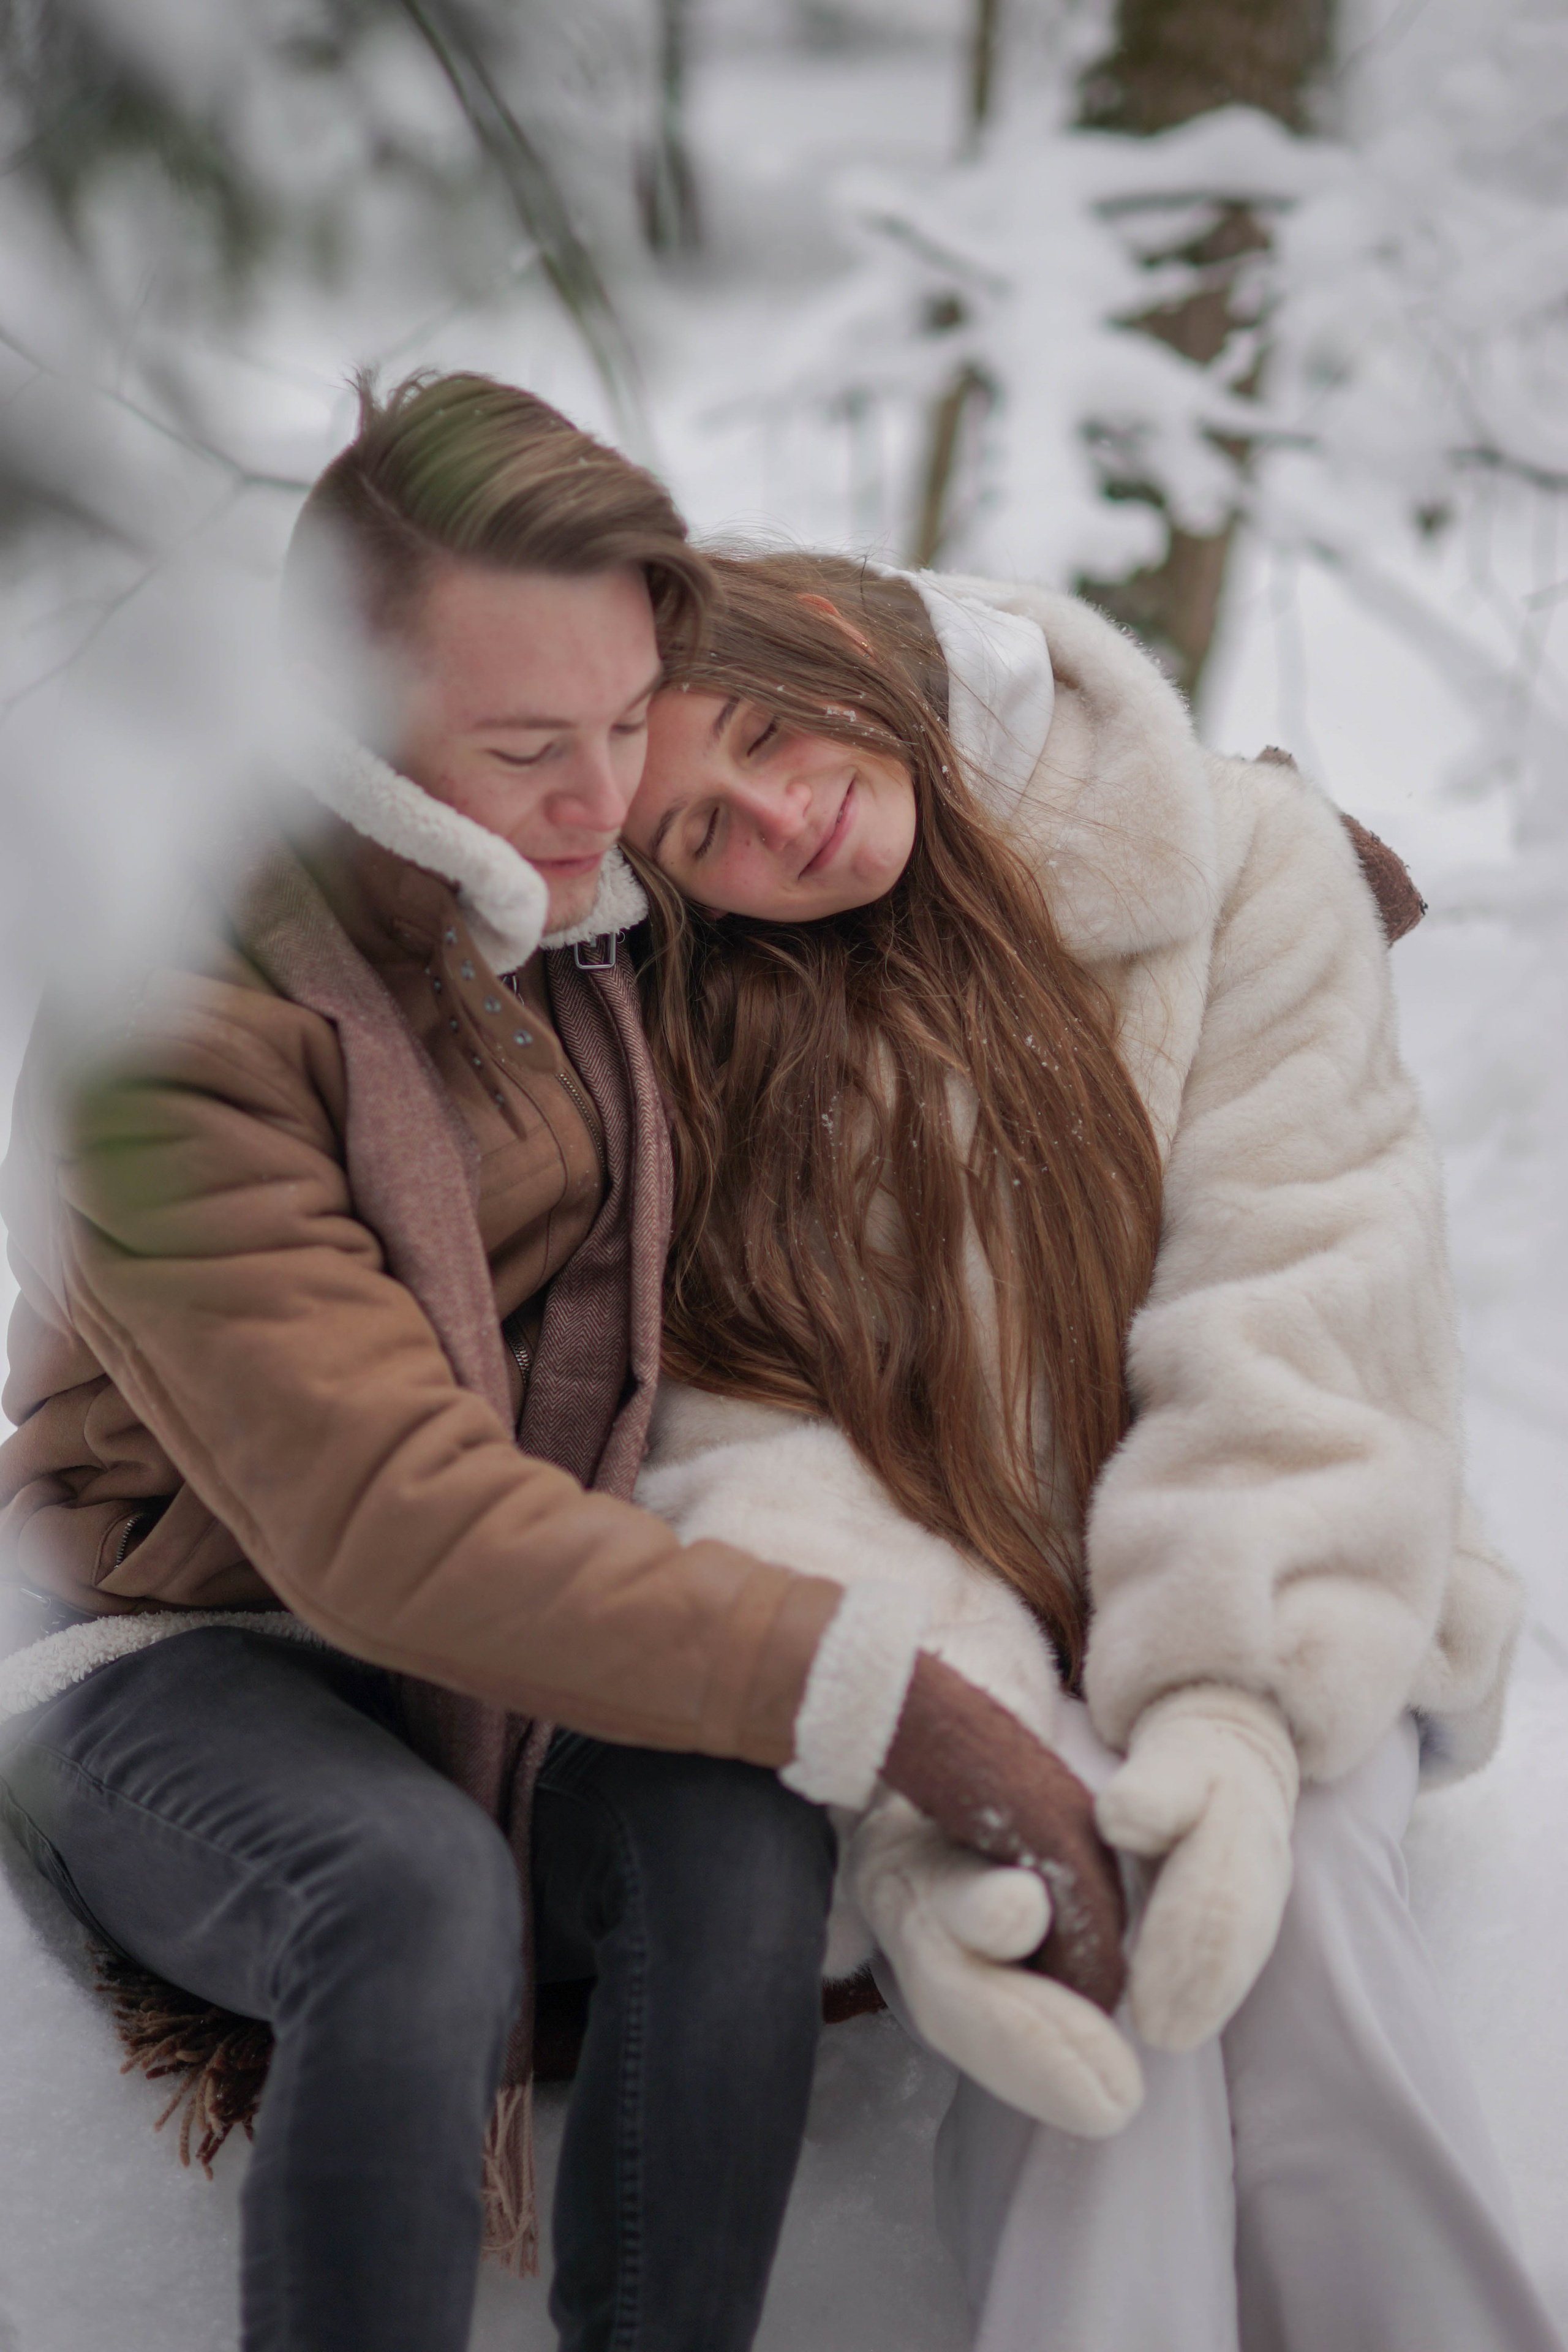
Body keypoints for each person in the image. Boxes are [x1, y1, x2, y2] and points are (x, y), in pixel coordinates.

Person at [0, 379, 1134, 2352]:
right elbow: (389, 1524)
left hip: (487, 1663)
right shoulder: (172, 1016)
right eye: (533, 745)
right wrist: (900, 1702)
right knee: (409, 1893)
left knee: (738, 1830)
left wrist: (1271, 863)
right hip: (170, 1649)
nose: (608, 798)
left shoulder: (571, 917)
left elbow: (908, 734)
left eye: (629, 723)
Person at [619, 553, 1563, 2351]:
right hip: (973, 1639)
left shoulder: (1240, 865)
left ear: (840, 639)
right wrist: (938, 1791)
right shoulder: (702, 1038)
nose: (784, 819)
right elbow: (756, 1446)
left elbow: (1300, 1305)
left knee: (1306, 1913)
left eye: (766, 733)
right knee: (1071, 1938)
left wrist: (1228, 1704)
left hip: (1296, 1576)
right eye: (701, 832)